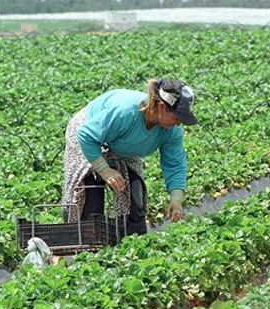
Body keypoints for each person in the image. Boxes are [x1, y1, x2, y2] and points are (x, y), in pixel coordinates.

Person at [63, 78, 198, 235]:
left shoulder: (171, 131)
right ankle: (87, 245)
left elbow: (175, 164)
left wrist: (176, 199)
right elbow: (86, 135)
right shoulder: (125, 112)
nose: (179, 123)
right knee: (91, 199)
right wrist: (104, 170)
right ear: (161, 107)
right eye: (177, 117)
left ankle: (132, 242)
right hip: (89, 135)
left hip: (123, 145)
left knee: (135, 200)